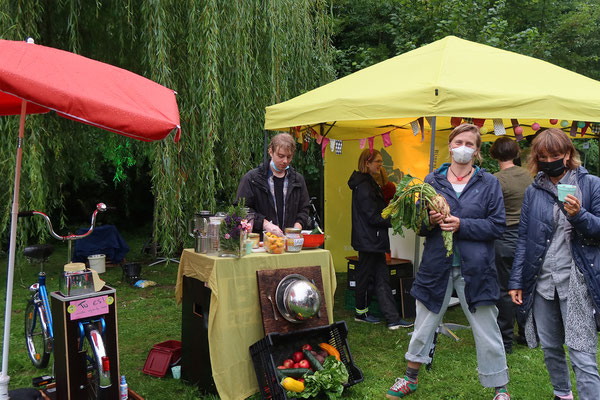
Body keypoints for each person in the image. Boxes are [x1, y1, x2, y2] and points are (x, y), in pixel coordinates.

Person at [386, 123, 510, 400]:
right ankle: (410, 378)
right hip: (436, 265)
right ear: (450, 146)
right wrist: (428, 221)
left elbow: (497, 225)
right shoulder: (432, 181)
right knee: (424, 324)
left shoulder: (488, 183)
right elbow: (418, 226)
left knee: (487, 328)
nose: (462, 148)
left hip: (476, 268)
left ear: (477, 151)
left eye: (469, 144)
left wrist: (462, 225)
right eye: (458, 142)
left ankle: (500, 387)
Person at [509, 128, 600, 400]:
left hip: (576, 280)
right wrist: (516, 281)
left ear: (569, 154)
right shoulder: (534, 191)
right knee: (550, 347)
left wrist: (579, 215)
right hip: (542, 281)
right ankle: (562, 394)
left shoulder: (591, 184)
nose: (550, 160)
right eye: (544, 156)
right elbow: (523, 240)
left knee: (581, 349)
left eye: (556, 154)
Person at [348, 148, 412, 330]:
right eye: (377, 161)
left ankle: (392, 318)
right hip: (369, 239)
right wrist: (393, 218)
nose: (380, 165)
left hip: (372, 239)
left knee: (381, 277)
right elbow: (372, 216)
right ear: (366, 163)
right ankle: (362, 312)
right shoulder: (364, 186)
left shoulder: (368, 183)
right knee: (366, 276)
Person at [489, 137, 532, 353]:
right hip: (526, 238)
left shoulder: (495, 180)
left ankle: (506, 341)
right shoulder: (529, 176)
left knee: (505, 290)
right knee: (523, 286)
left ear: (494, 155)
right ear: (516, 153)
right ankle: (527, 334)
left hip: (504, 238)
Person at [236, 132, 310, 236]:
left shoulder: (298, 180)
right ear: (271, 152)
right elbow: (242, 210)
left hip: (290, 243)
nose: (285, 161)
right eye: (281, 156)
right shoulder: (252, 179)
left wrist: (297, 228)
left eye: (289, 157)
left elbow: (304, 209)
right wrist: (264, 223)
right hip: (260, 243)